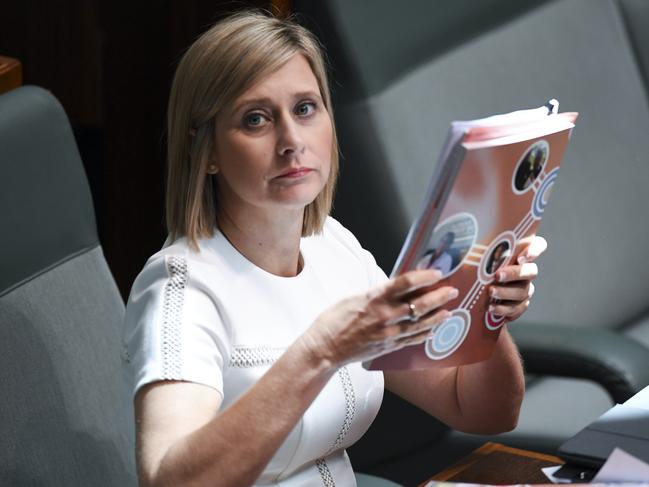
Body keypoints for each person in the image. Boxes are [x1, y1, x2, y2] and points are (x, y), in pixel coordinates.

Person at [122, 11, 545, 487]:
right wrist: (321, 351)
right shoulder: (180, 292)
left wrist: (485, 301)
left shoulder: (332, 245)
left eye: (305, 108)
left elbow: (479, 409)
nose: (292, 141)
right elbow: (169, 481)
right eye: (255, 119)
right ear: (208, 149)